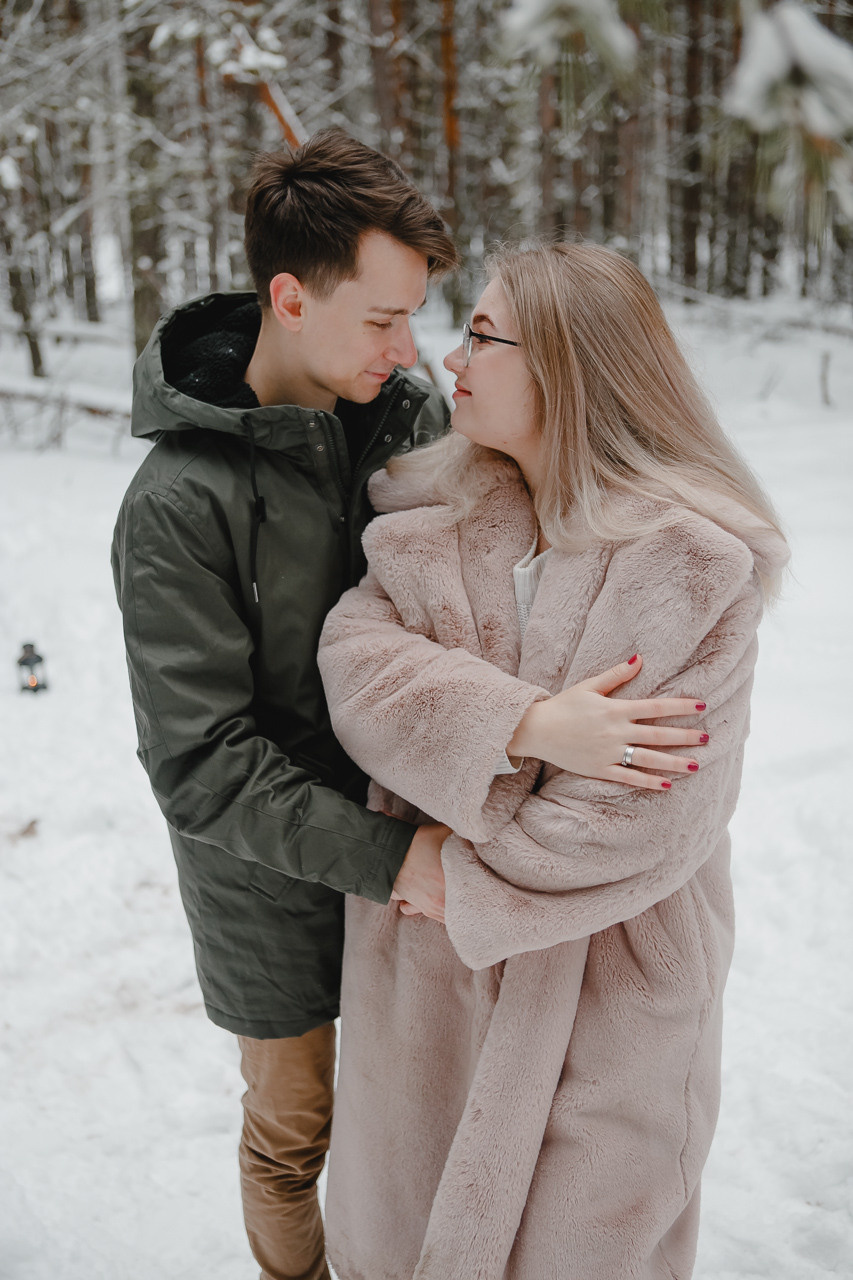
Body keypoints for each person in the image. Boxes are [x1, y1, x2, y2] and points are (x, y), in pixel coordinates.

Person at [112, 133, 710, 1280]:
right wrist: (397, 857)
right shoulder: (178, 506)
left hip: (432, 860)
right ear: (291, 297)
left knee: (420, 1126)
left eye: (420, 314)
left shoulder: (406, 417)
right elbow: (200, 759)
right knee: (297, 1134)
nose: (415, 347)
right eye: (384, 318)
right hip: (281, 884)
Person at [317, 242, 789, 1280]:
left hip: (607, 996)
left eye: (483, 335)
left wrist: (458, 874)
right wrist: (527, 725)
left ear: (571, 365)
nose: (451, 359)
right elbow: (357, 670)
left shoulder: (694, 567)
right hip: (428, 999)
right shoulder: (427, 521)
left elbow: (644, 815)